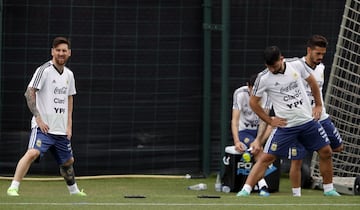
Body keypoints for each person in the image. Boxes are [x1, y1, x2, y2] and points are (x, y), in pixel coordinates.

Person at [236, 45, 340, 197]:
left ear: (281, 58)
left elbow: (313, 83)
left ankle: (329, 189)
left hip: (307, 122)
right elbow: (253, 102)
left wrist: (318, 105)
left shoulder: (297, 65)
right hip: (286, 126)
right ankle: (245, 190)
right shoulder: (263, 78)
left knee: (326, 152)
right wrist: (270, 121)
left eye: (275, 65)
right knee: (267, 158)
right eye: (269, 67)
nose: (273, 69)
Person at [7, 37, 87, 196]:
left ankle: (74, 192)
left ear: (69, 53)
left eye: (64, 50)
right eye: (58, 50)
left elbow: (69, 98)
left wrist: (69, 125)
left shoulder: (69, 75)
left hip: (61, 129)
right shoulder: (44, 70)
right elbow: (29, 93)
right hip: (43, 127)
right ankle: (13, 187)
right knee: (33, 153)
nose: (61, 53)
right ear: (52, 52)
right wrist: (38, 117)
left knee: (68, 161)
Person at [289, 35, 343, 196]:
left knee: (337, 147)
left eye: (323, 54)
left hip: (321, 116)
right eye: (317, 53)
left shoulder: (321, 68)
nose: (320, 57)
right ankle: (297, 195)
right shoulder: (294, 67)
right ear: (309, 50)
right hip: (302, 120)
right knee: (298, 158)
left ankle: (328, 188)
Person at [231, 75, 272, 196]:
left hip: (260, 132)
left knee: (273, 123)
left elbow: (264, 121)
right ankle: (262, 185)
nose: (257, 94)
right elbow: (235, 120)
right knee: (260, 153)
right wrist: (237, 141)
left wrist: (258, 141)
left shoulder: (267, 95)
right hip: (245, 131)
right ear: (248, 86)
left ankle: (250, 150)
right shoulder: (239, 93)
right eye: (254, 90)